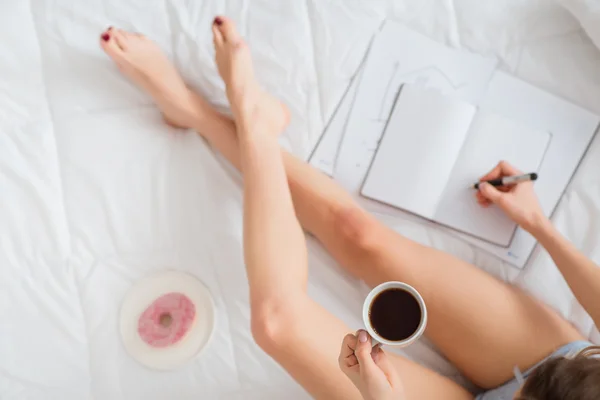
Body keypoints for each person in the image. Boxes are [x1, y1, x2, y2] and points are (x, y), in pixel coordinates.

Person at [98, 17, 600, 400]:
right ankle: (212, 119)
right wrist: (539, 225)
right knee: (358, 233)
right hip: (550, 361)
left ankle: (237, 115)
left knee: (276, 324)